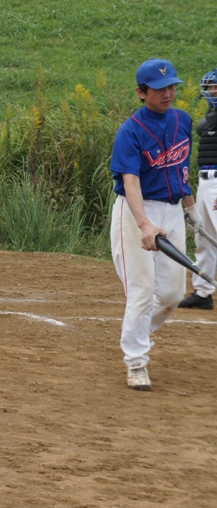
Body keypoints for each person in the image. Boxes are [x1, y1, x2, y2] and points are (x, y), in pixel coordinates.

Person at [110, 59, 197, 391]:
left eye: (172, 87)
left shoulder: (182, 120)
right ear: (141, 92)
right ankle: (136, 362)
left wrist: (191, 211)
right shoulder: (130, 131)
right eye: (160, 89)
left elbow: (180, 170)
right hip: (136, 213)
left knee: (173, 292)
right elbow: (131, 182)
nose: (169, 93)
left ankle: (137, 332)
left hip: (172, 210)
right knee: (142, 289)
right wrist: (145, 224)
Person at [180, 69, 217, 310]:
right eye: (210, 87)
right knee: (203, 237)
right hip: (205, 182)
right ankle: (203, 292)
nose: (212, 91)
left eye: (216, 87)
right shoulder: (209, 119)